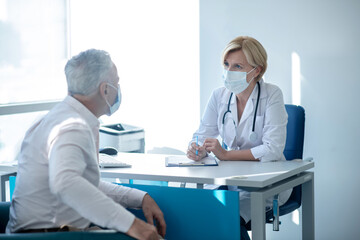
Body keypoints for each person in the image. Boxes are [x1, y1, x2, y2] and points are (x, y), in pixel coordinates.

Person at [6, 49, 166, 240]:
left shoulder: (56, 118)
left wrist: (140, 198)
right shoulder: (73, 126)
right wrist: (133, 225)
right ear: (105, 89)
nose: (119, 88)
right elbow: (66, 183)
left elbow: (83, 184)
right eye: (117, 83)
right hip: (48, 235)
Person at [186, 36, 291, 240]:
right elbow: (201, 135)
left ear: (257, 70)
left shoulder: (272, 95)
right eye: (227, 64)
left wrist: (225, 154)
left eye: (238, 66)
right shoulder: (219, 96)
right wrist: (196, 148)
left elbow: (272, 149)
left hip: (266, 181)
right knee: (198, 210)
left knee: (228, 215)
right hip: (229, 177)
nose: (228, 72)